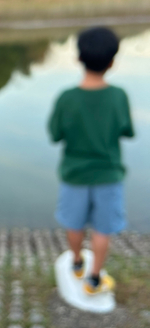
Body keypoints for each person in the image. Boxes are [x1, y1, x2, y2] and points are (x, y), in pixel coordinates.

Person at [48, 26, 134, 295]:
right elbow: (126, 131)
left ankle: (76, 262)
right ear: (111, 61)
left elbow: (55, 134)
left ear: (79, 58)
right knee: (102, 230)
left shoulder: (66, 98)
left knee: (74, 224)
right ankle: (94, 278)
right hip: (108, 175)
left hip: (74, 175)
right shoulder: (118, 96)